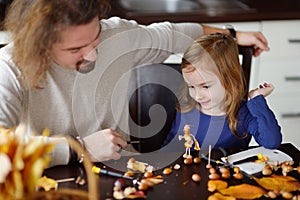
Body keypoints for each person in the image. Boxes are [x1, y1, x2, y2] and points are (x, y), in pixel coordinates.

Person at [0, 0, 270, 167]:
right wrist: (79, 149)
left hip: (123, 172)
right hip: (46, 182)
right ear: (39, 44)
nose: (93, 55)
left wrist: (232, 34)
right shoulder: (9, 69)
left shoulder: (116, 37)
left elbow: (175, 34)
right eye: (76, 50)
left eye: (95, 40)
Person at [163, 33, 282, 152]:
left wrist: (257, 99)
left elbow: (271, 142)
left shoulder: (243, 114)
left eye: (205, 86)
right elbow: (171, 144)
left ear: (230, 80)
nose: (197, 96)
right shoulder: (186, 108)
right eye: (191, 86)